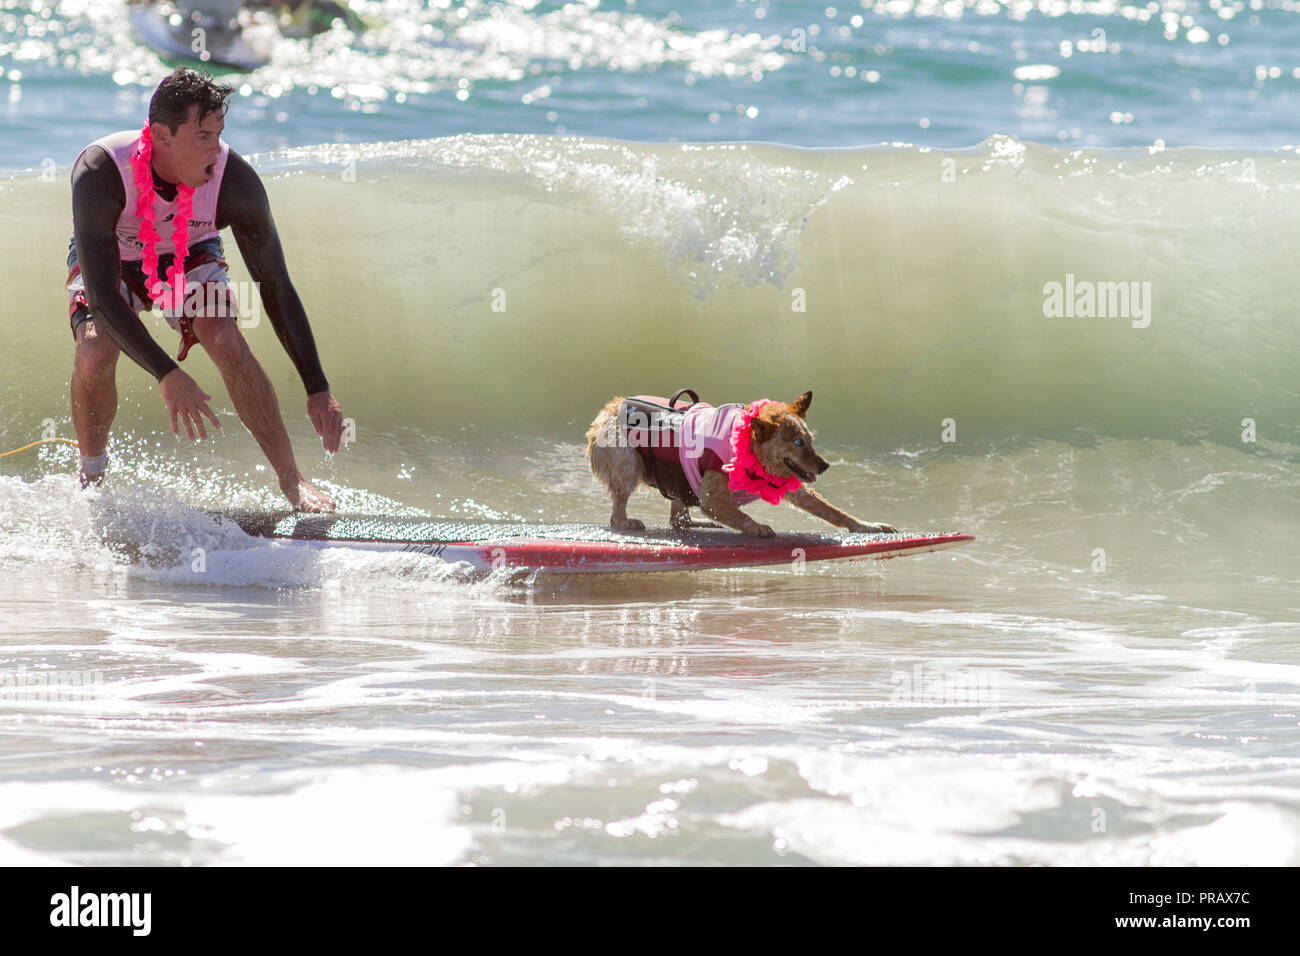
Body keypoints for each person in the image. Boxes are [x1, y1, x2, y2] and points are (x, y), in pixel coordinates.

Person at [66, 68, 343, 510]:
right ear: (161, 134)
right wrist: (168, 374)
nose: (216, 148)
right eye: (202, 136)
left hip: (189, 248)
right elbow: (102, 298)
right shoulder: (102, 170)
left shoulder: (235, 183)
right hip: (114, 253)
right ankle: (92, 476)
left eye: (219, 133)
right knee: (96, 347)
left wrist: (317, 386)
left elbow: (275, 284)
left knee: (223, 334)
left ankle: (292, 481)